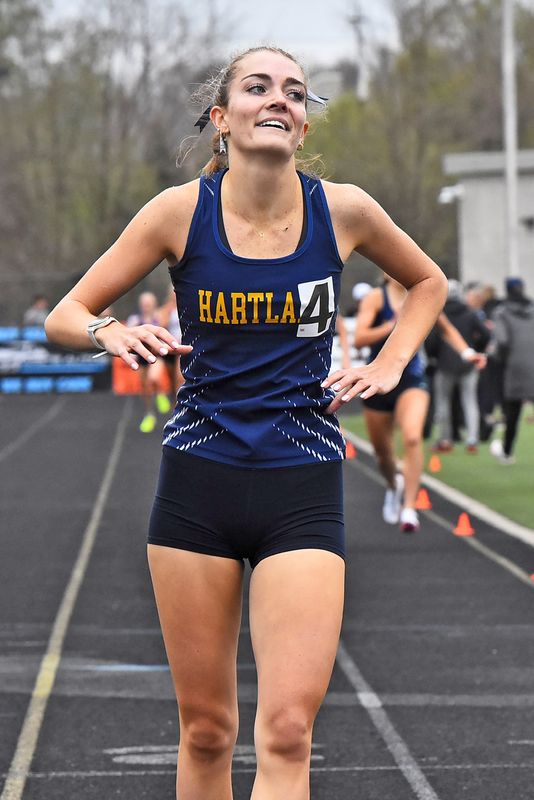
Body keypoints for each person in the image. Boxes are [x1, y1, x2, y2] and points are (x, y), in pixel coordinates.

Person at [45, 45, 448, 800]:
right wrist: (109, 333)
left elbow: (427, 281)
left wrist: (391, 365)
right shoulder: (178, 213)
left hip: (301, 480)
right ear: (222, 120)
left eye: (295, 93)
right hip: (199, 482)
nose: (280, 100)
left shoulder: (345, 210)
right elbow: (67, 314)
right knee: (206, 731)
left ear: (301, 125)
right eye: (258, 87)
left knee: (289, 730)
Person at [355, 276, 486, 533]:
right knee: (382, 454)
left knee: (413, 437)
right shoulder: (375, 298)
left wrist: (469, 354)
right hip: (376, 381)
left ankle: (409, 508)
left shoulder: (420, 297)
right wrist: (391, 325)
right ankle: (394, 485)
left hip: (412, 379)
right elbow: (360, 337)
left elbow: (446, 328)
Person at [432, 280, 490, 453]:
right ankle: (472, 440)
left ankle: (445, 439)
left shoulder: (438, 313)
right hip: (467, 363)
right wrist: (476, 349)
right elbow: (486, 334)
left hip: (445, 363)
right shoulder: (470, 313)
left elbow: (433, 340)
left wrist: (435, 356)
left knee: (443, 402)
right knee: (470, 401)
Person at [490, 277, 534, 464]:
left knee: (513, 413)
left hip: (515, 367)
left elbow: (502, 340)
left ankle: (507, 453)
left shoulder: (502, 312)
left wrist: (498, 357)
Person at [127, 291, 172, 433]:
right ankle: (149, 414)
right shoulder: (135, 319)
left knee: (154, 378)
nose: (146, 306)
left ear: (154, 304)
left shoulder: (159, 317)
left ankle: (160, 393)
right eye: (144, 303)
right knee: (145, 386)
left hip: (156, 355)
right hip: (141, 356)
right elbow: (129, 337)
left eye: (149, 303)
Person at [157, 285, 185, 398]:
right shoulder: (167, 309)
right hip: (169, 346)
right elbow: (161, 323)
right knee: (170, 378)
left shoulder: (187, 305)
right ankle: (173, 399)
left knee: (179, 377)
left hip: (181, 346)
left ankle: (180, 402)